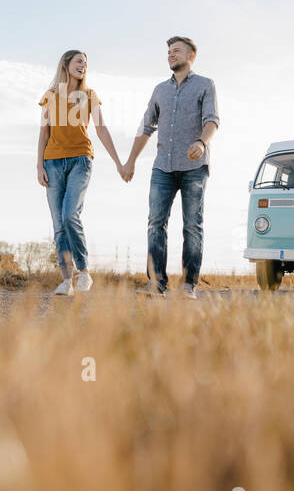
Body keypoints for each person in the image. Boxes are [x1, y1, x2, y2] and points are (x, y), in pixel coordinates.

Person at [121, 36, 219, 299]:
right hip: (162, 167)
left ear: (191, 56)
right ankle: (156, 283)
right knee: (155, 222)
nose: (170, 55)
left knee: (192, 225)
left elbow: (212, 121)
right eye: (168, 52)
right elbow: (146, 128)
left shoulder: (205, 85)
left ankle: (189, 285)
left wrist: (201, 141)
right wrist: (130, 161)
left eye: (176, 51)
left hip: (194, 166)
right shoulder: (159, 90)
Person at [37, 49, 125, 296]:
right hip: (52, 163)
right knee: (58, 225)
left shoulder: (89, 95)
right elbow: (44, 133)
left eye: (86, 63)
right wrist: (38, 166)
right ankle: (67, 281)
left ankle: (84, 271)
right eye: (79, 62)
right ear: (66, 64)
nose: (83, 66)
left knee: (69, 215)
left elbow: (102, 129)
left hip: (80, 160)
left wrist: (119, 162)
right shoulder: (50, 96)